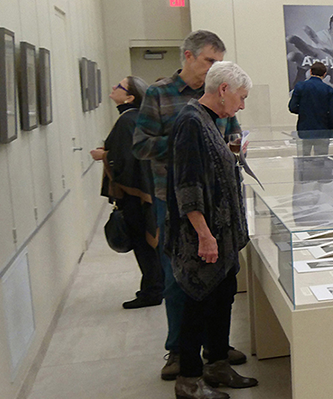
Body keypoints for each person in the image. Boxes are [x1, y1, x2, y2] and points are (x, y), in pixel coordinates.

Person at [132, 30, 246, 381]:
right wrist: (188, 145)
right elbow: (141, 145)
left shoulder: (216, 99)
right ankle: (180, 352)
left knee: (220, 281)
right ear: (188, 56)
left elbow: (233, 134)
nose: (214, 67)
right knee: (180, 279)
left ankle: (215, 351)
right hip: (180, 201)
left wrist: (228, 148)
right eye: (210, 60)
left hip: (217, 203)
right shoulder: (163, 95)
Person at [165, 61, 258, 399]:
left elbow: (211, 168)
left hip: (223, 236)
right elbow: (187, 185)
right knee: (197, 305)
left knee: (221, 298)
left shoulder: (207, 120)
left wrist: (233, 156)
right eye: (241, 97)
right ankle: (189, 380)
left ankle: (217, 363)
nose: (242, 105)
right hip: (203, 239)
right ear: (223, 91)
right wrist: (204, 234)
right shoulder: (190, 122)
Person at [90, 76, 159, 309]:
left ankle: (152, 291)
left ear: (130, 97)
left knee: (143, 243)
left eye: (118, 86)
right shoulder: (135, 118)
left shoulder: (128, 120)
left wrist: (104, 156)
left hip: (134, 196)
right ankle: (153, 287)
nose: (112, 87)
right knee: (146, 244)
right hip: (143, 193)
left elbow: (128, 159)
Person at [289, 61, 333, 155]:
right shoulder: (328, 89)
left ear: (310, 72)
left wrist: (304, 110)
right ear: (324, 74)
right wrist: (332, 130)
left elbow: (292, 107)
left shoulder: (300, 86)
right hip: (323, 130)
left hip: (304, 129)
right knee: (321, 159)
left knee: (303, 158)